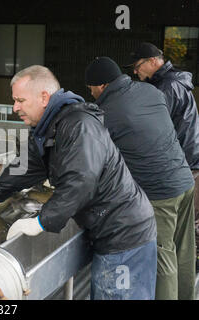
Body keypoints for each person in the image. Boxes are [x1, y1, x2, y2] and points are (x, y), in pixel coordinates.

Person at [0, 65, 157, 300]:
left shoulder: (79, 125)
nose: (15, 107)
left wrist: (41, 221)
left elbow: (81, 181)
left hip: (124, 238)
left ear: (43, 97)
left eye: (20, 100)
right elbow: (26, 167)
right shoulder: (48, 129)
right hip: (109, 233)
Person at [85, 56, 196, 300]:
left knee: (161, 255)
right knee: (184, 249)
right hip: (185, 180)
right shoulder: (150, 91)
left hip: (159, 192)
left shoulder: (105, 112)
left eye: (90, 87)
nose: (90, 92)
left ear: (101, 85)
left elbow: (96, 161)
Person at [128, 42, 199, 273]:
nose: (135, 72)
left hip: (184, 165)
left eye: (138, 66)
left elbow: (151, 128)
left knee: (178, 234)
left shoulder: (167, 87)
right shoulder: (172, 82)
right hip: (190, 162)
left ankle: (180, 277)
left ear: (152, 61)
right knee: (187, 231)